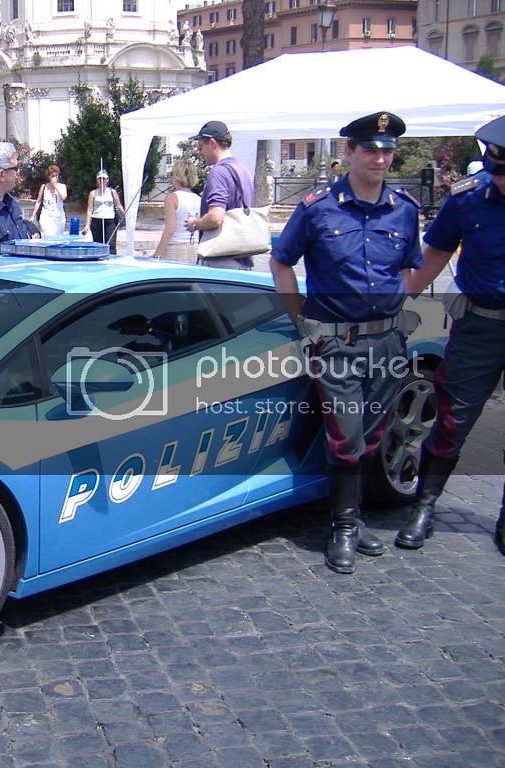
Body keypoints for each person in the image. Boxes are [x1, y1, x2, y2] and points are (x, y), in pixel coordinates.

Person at [270, 111, 422, 574]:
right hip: (335, 343)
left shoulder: (404, 209)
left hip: (388, 343)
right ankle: (341, 526)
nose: (380, 157)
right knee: (346, 437)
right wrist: (300, 320)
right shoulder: (318, 208)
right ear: (350, 152)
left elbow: (410, 266)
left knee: (373, 432)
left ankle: (354, 522)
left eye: (387, 150)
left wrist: (399, 309)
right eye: (370, 149)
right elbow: (281, 262)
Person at [396, 115, 505, 556]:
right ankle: (424, 505)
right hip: (480, 326)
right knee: (451, 420)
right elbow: (435, 253)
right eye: (495, 172)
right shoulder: (468, 200)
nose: (499, 182)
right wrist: (397, 304)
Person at [184, 120, 256, 270]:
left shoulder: (219, 172)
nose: (199, 151)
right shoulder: (242, 170)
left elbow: (216, 216)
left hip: (221, 258)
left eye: (200, 146)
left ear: (212, 143)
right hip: (242, 256)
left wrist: (195, 224)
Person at [152, 159, 201, 262]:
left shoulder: (172, 198)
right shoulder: (199, 199)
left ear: (177, 177)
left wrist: (157, 254)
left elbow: (170, 229)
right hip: (195, 246)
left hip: (175, 246)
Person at [83, 170, 124, 254]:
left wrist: (125, 215)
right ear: (97, 180)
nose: (102, 181)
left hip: (110, 221)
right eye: (100, 179)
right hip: (96, 220)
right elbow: (90, 209)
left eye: (104, 179)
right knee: (98, 245)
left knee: (111, 245)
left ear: (107, 180)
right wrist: (87, 225)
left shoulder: (112, 192)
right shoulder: (93, 193)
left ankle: (112, 262)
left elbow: (119, 205)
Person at [31, 164, 68, 237]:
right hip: (46, 216)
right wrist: (33, 215)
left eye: (56, 175)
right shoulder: (44, 187)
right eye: (53, 176)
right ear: (49, 177)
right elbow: (38, 201)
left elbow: (63, 197)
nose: (55, 178)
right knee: (47, 236)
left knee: (58, 238)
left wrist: (55, 186)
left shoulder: (62, 186)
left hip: (58, 216)